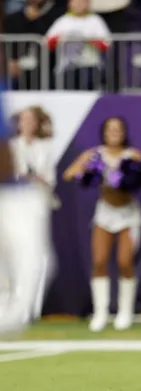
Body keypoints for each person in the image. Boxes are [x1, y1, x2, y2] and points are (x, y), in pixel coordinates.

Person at [62, 116, 141, 332]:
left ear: (124, 132)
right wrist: (89, 172)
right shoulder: (95, 154)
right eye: (110, 129)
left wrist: (132, 176)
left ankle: (125, 312)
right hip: (105, 213)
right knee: (100, 260)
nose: (114, 133)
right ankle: (100, 313)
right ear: (104, 132)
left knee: (124, 262)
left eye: (118, 129)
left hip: (128, 214)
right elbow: (68, 174)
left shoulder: (133, 155)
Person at [0, 103, 52, 336]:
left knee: (39, 260)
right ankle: (7, 308)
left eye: (32, 119)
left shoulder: (45, 147)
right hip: (11, 200)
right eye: (23, 119)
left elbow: (49, 180)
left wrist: (33, 180)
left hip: (34, 202)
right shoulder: (11, 144)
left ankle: (30, 310)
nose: (27, 123)